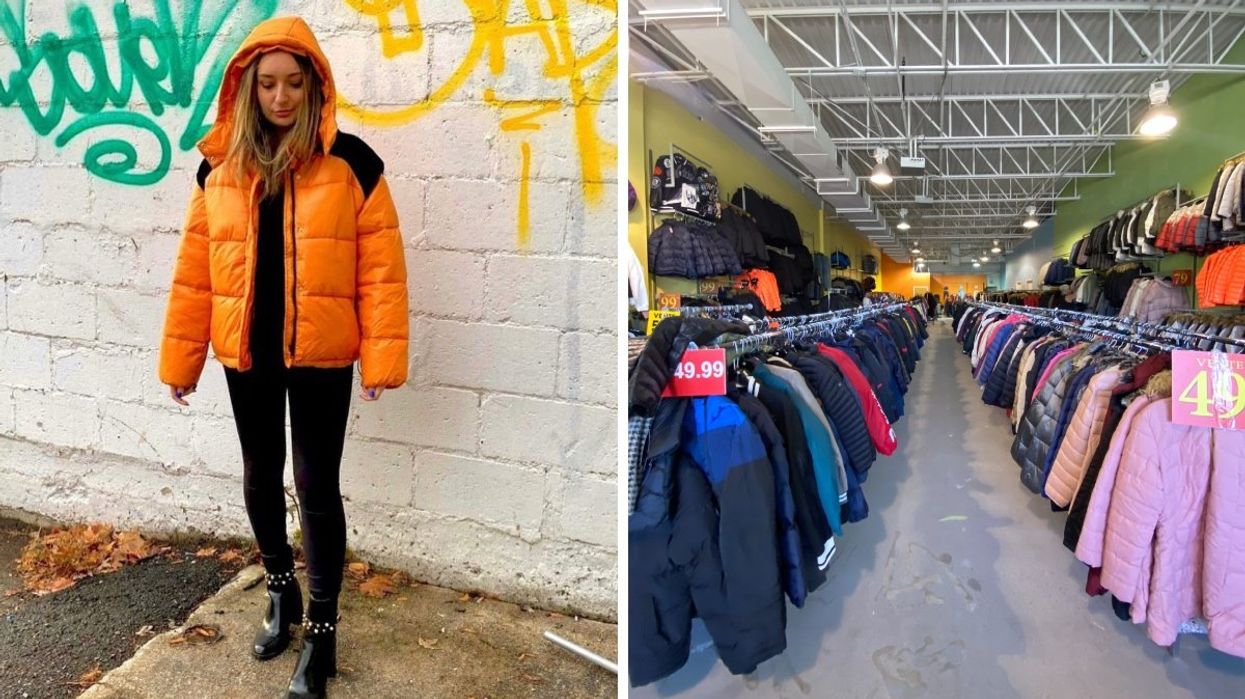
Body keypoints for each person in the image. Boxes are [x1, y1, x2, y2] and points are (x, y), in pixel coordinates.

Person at [158, 16, 408, 699]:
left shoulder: (352, 163)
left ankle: (322, 634)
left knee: (316, 486)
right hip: (247, 351)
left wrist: (382, 357)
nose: (280, 97)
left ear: (313, 86)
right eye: (266, 83)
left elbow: (380, 270)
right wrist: (181, 362)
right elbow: (194, 273)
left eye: (293, 83)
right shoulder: (217, 168)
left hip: (323, 356)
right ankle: (280, 591)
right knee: (259, 475)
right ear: (245, 88)